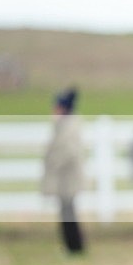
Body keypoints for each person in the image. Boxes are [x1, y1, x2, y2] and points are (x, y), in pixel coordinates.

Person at [41, 87, 86, 254]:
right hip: (65, 179)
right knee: (67, 213)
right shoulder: (64, 125)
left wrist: (55, 163)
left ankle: (74, 247)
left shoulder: (68, 125)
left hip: (68, 178)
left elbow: (68, 151)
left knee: (68, 214)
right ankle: (72, 246)